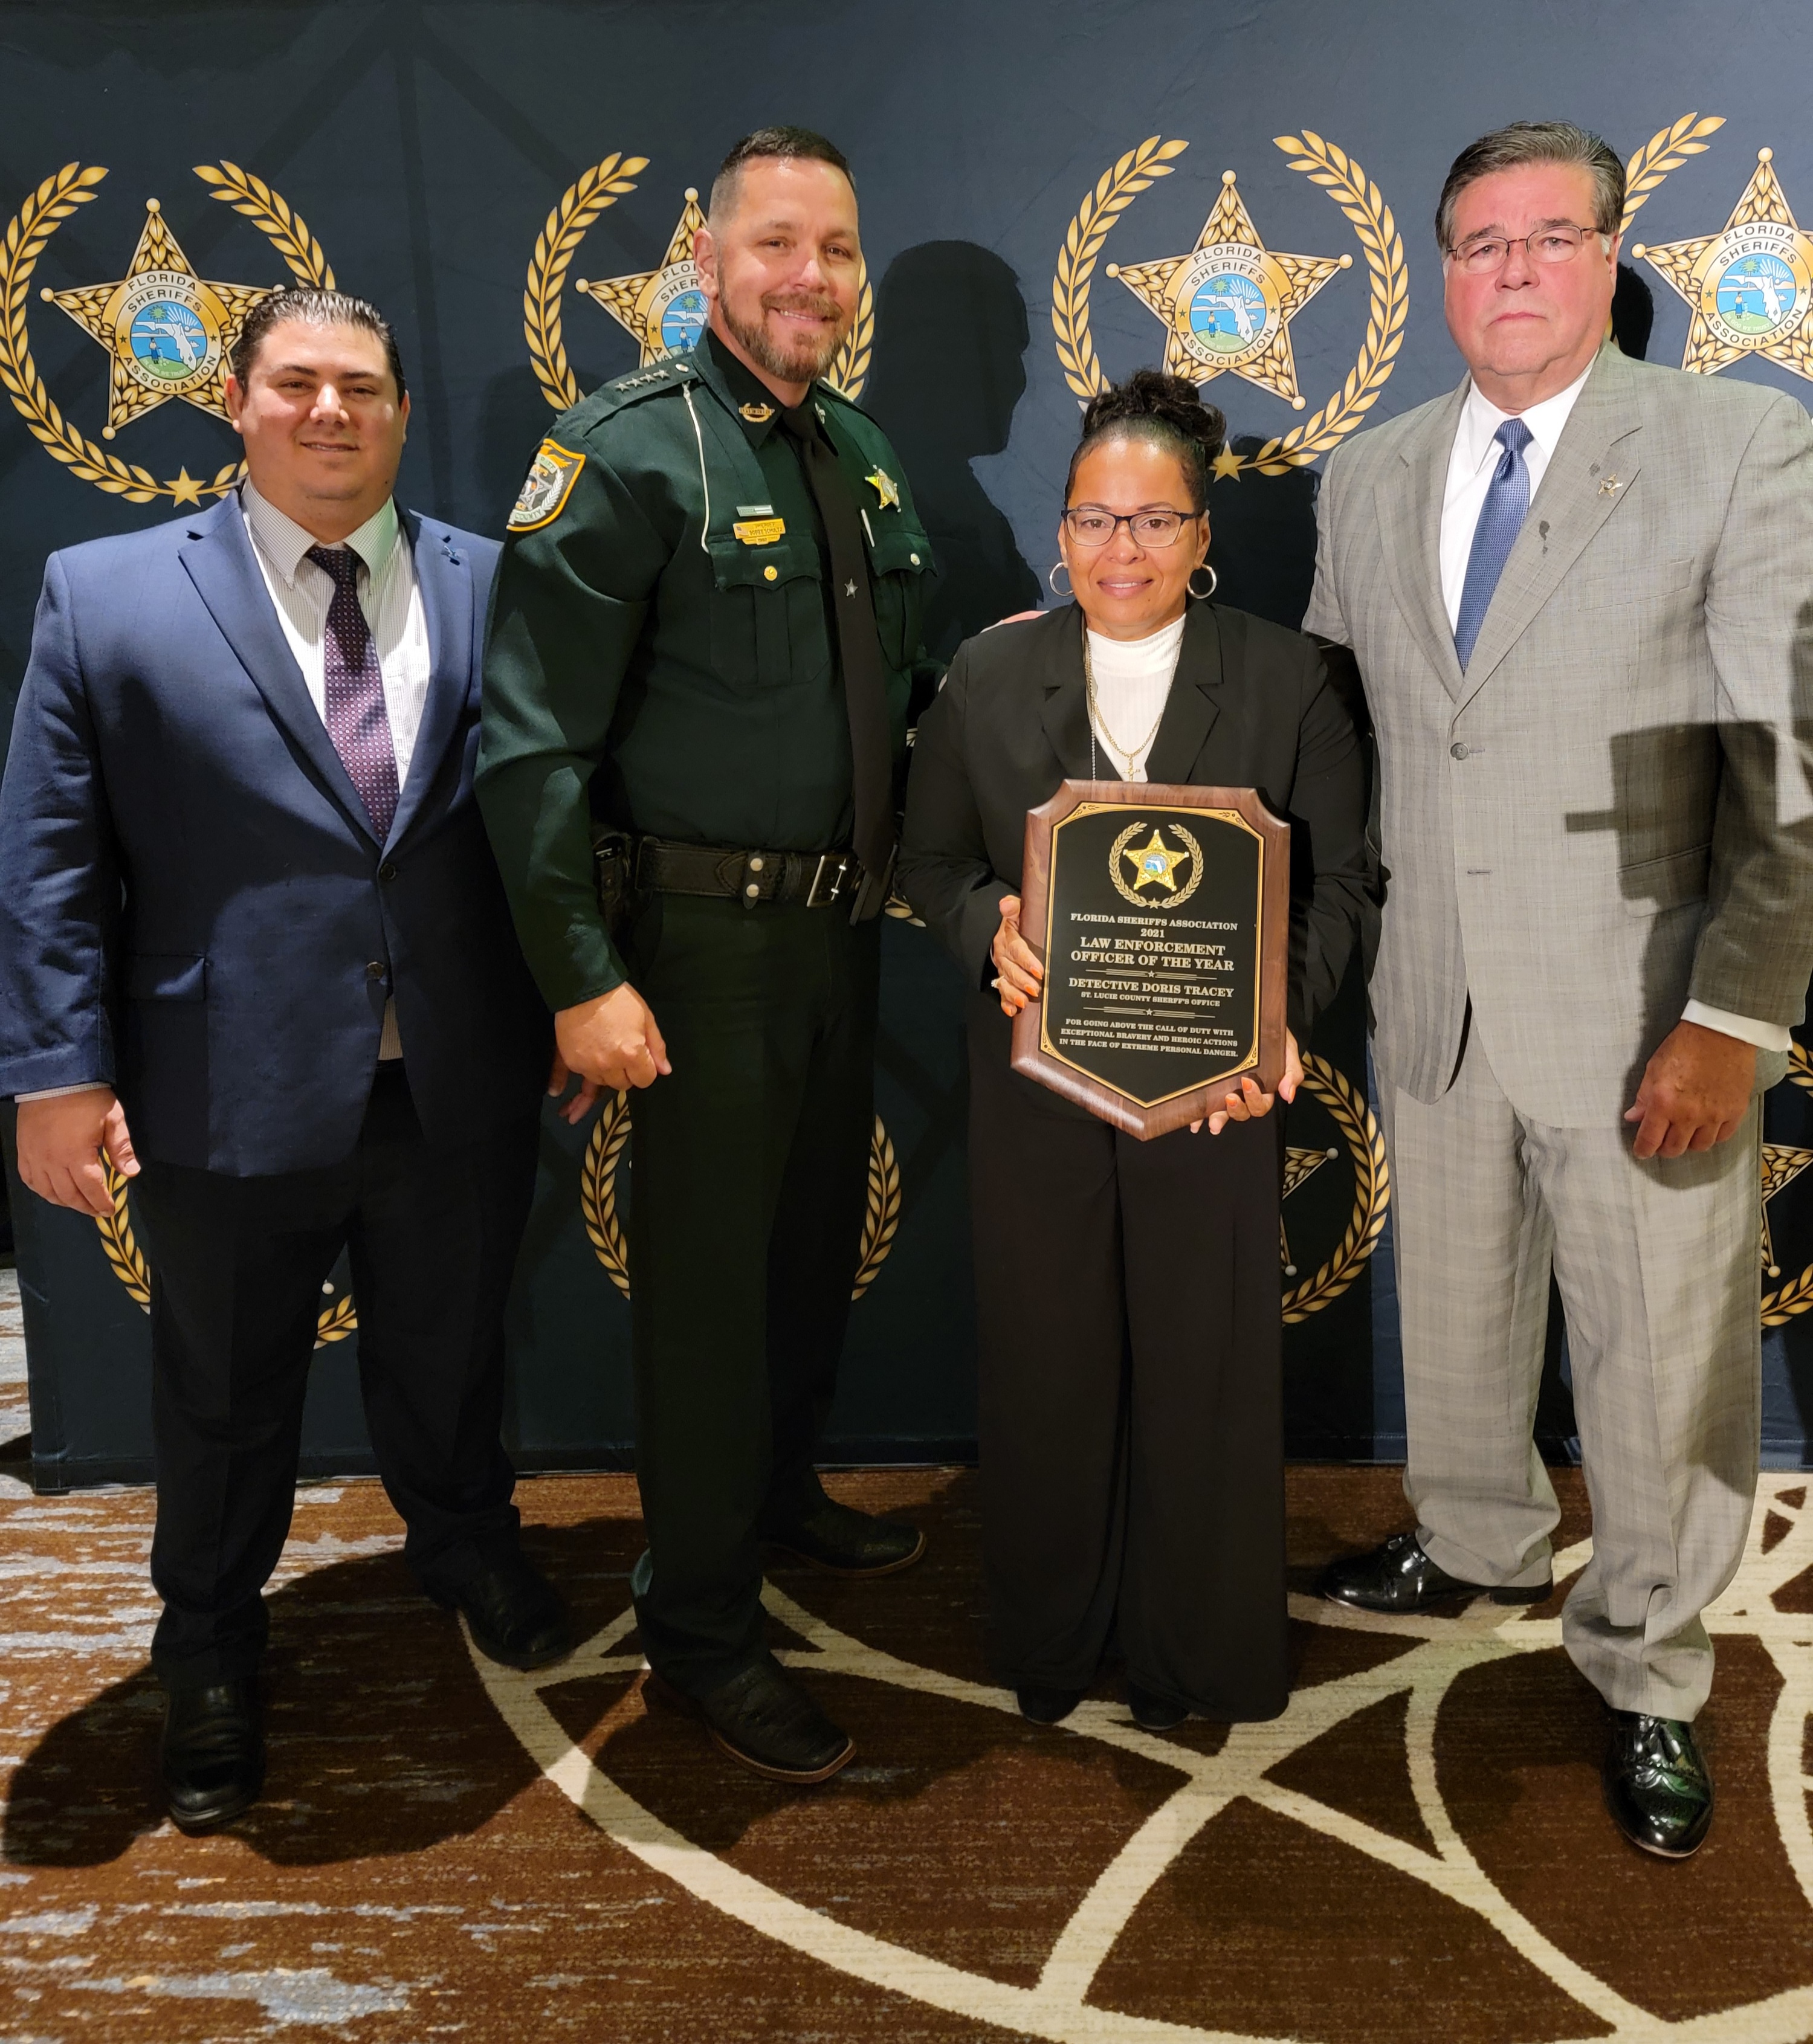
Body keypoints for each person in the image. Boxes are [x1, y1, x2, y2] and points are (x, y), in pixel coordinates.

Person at [0, 289, 574, 1835]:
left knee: (451, 1350)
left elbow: (550, 819)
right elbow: (51, 856)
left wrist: (580, 995)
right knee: (225, 1391)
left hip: (456, 1068)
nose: (335, 413)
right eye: (300, 385)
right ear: (240, 405)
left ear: (401, 413)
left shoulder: (498, 581)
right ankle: (208, 1649)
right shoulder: (104, 592)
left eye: (366, 389)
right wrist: (54, 1071)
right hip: (225, 1082)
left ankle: (463, 1545)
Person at [1305, 121, 1813, 1859]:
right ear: (1439, 273)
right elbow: (1327, 730)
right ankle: (1475, 1538)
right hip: (1433, 1000)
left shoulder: (1739, 447)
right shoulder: (1369, 476)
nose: (1510, 269)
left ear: (1610, 258)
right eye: (1476, 242)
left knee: (1662, 1371)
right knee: (1454, 1331)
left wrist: (1733, 1017)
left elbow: (1788, 759)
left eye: (1546, 236)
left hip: (1642, 1012)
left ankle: (1656, 1674)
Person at [478, 127, 941, 1786]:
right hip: (689, 957)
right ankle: (700, 1631)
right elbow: (527, 751)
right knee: (704, 1306)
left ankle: (779, 1494)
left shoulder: (863, 456)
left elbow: (910, 700)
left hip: (837, 941)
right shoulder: (624, 457)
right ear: (703, 259)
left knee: (807, 1259)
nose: (807, 276)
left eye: (833, 247)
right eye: (774, 245)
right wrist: (578, 977)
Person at [897, 372, 1371, 1728]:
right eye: (1095, 519)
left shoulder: (1291, 680)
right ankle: (1052, 1641)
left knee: (1204, 1364)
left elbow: (1346, 886)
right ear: (1061, 528)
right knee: (1046, 1358)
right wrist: (991, 925)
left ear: (1204, 537)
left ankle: (1200, 1656)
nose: (1122, 550)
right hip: (1036, 1078)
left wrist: (1279, 1010)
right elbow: (931, 859)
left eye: (1155, 521)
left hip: (1220, 1093)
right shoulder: (989, 671)